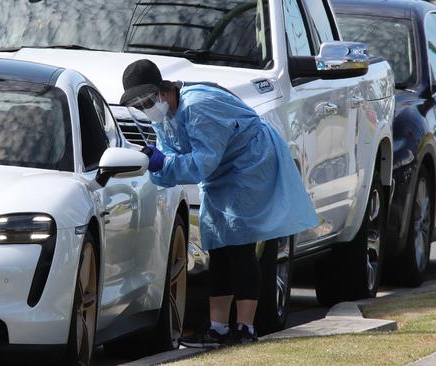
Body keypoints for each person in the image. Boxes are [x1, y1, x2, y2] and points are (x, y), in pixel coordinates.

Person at [120, 59, 319, 347]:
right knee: (218, 246)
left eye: (148, 100)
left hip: (249, 165)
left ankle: (246, 328)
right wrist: (156, 165)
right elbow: (172, 165)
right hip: (220, 172)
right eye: (139, 105)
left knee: (239, 245)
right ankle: (219, 328)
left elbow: (202, 164)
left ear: (163, 90)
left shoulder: (198, 106)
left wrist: (165, 163)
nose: (146, 108)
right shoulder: (166, 116)